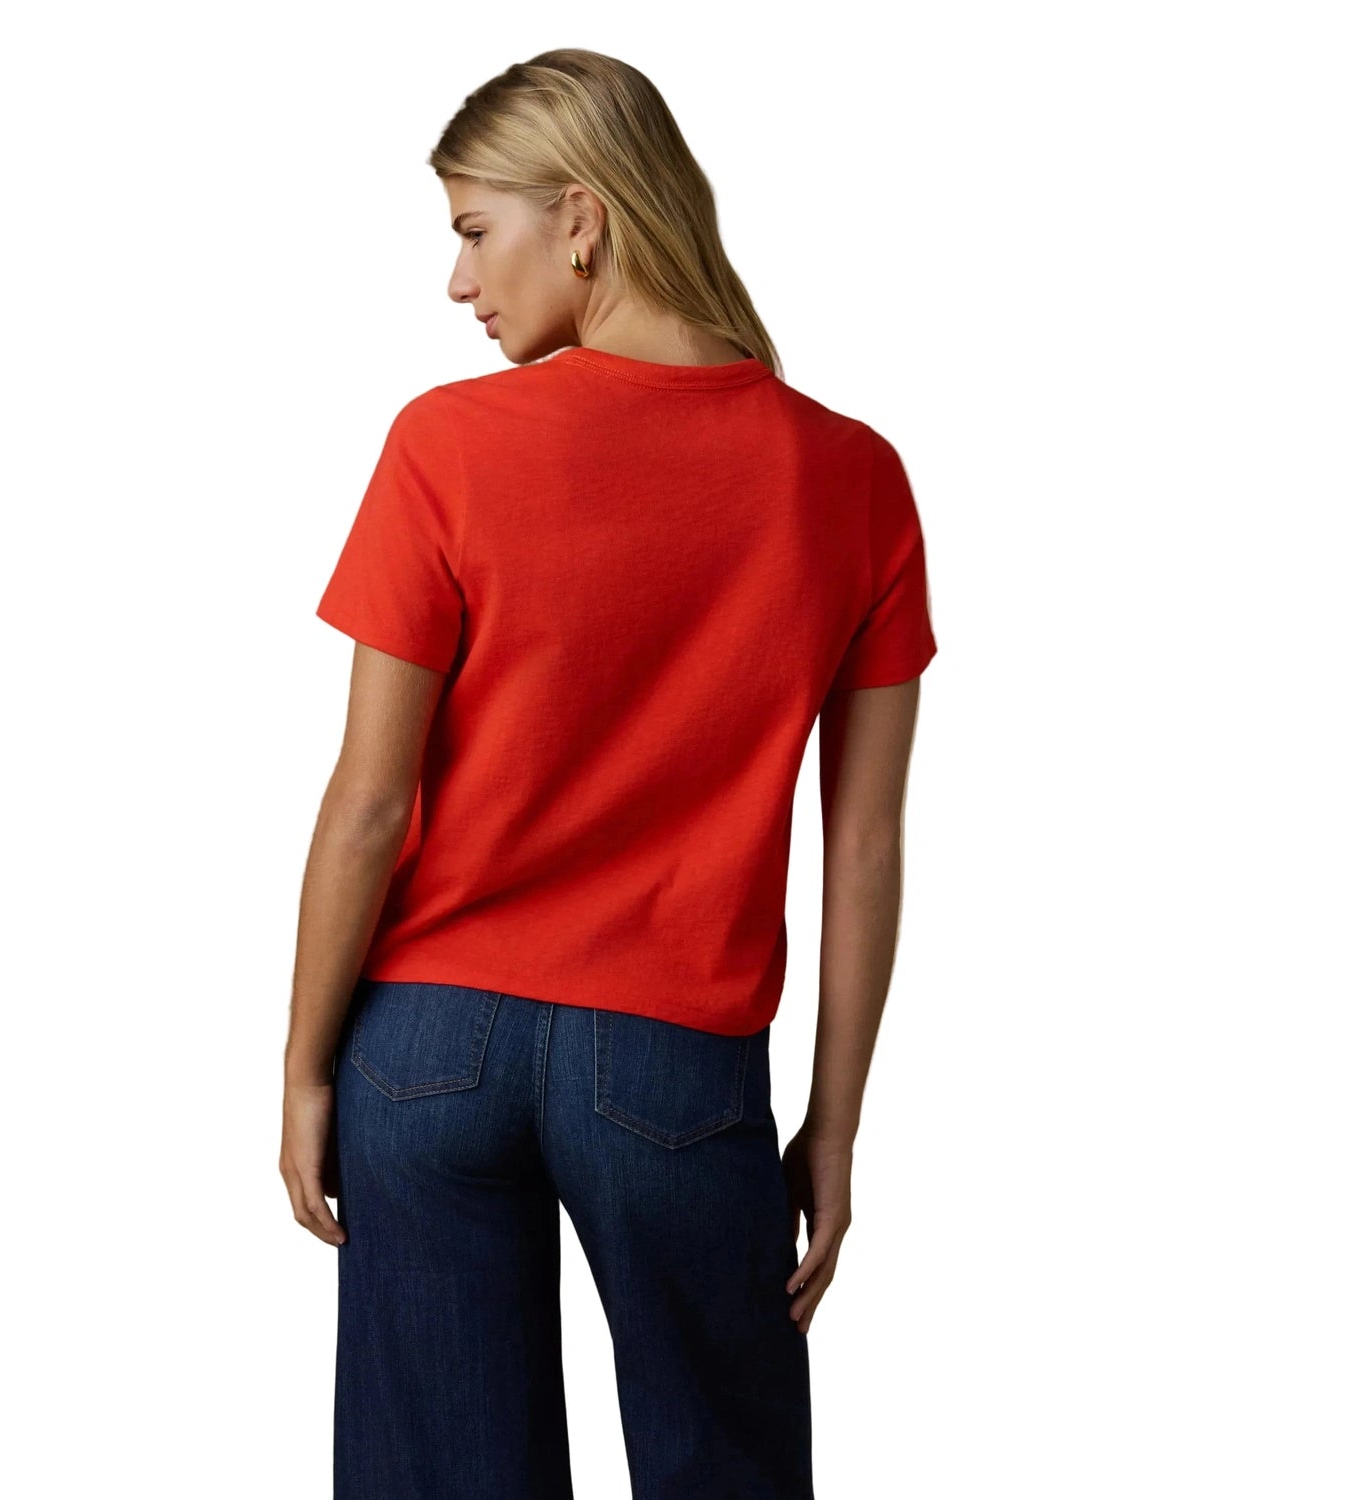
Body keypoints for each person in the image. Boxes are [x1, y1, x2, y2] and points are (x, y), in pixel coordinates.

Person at [279, 47, 938, 1500]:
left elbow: (369, 804)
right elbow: (867, 845)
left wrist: (305, 1064)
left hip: (424, 1048)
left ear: (580, 216)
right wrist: (834, 1126)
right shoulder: (854, 478)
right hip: (675, 1064)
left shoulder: (447, 444)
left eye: (474, 231)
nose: (458, 283)